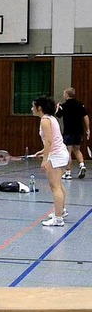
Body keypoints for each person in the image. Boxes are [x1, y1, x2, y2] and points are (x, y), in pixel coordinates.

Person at [32, 97, 69, 227]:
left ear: (39, 108)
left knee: (55, 187)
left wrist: (45, 159)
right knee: (59, 184)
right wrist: (42, 151)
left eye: (33, 106)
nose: (32, 109)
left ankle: (58, 219)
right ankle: (61, 211)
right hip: (62, 153)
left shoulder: (45, 120)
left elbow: (49, 141)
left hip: (57, 156)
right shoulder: (51, 118)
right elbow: (53, 140)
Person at [55, 87, 89, 179]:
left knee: (67, 152)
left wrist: (58, 107)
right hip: (79, 131)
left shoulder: (64, 106)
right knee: (77, 149)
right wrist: (88, 129)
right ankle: (82, 165)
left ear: (67, 95)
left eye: (64, 94)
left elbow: (57, 115)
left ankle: (68, 172)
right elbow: (85, 117)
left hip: (68, 132)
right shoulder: (80, 105)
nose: (63, 95)